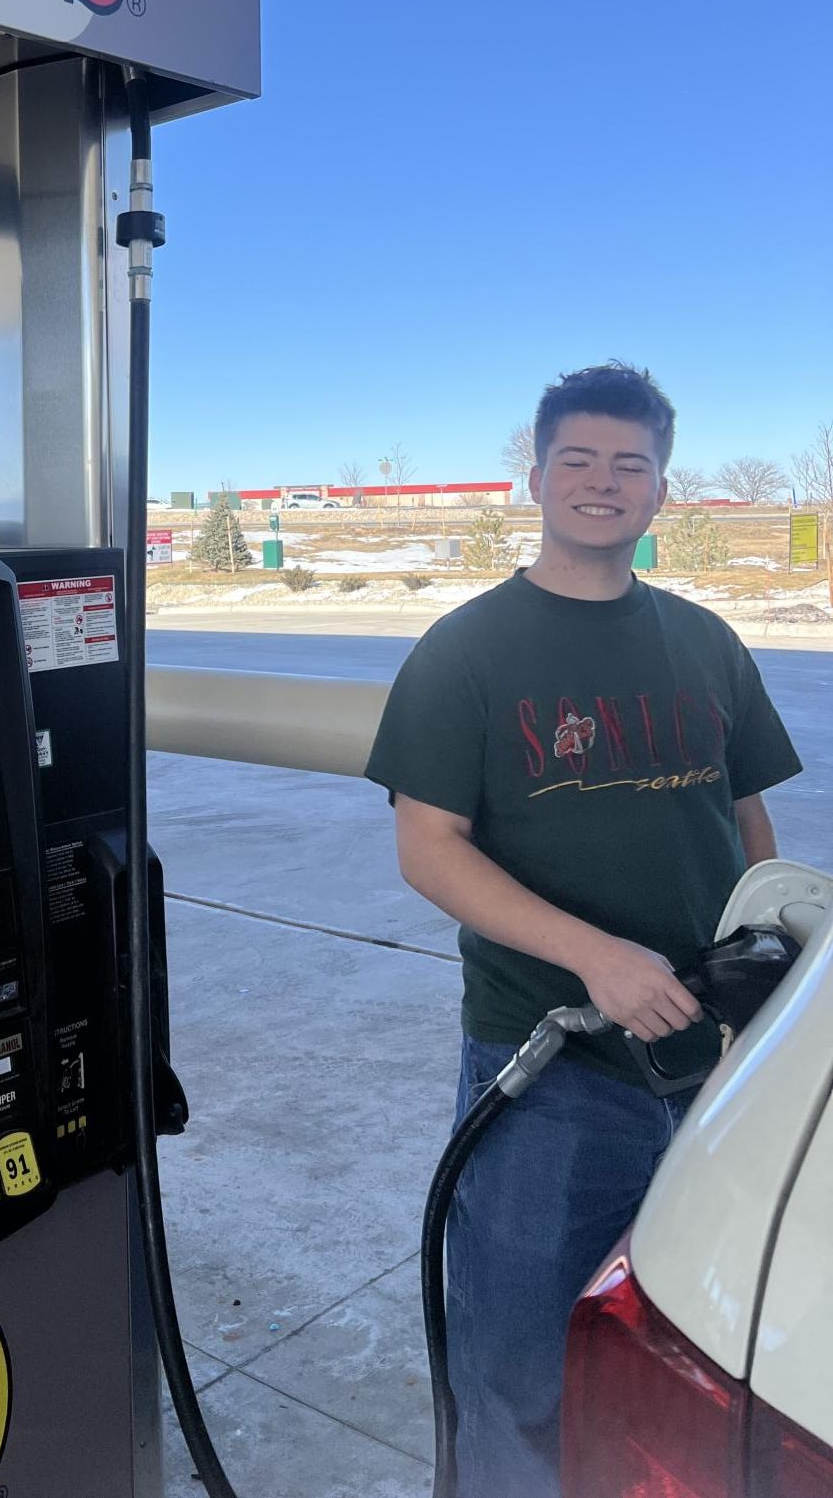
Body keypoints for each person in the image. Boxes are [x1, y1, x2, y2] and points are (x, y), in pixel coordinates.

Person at [364, 362, 802, 1498]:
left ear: (661, 490)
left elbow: (745, 813)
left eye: (630, 465)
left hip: (713, 1062)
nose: (603, 484)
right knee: (519, 1363)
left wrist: (773, 973)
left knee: (684, 1353)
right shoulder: (467, 651)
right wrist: (595, 958)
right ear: (536, 478)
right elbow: (429, 848)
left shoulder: (705, 643)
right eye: (579, 461)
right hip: (552, 1066)